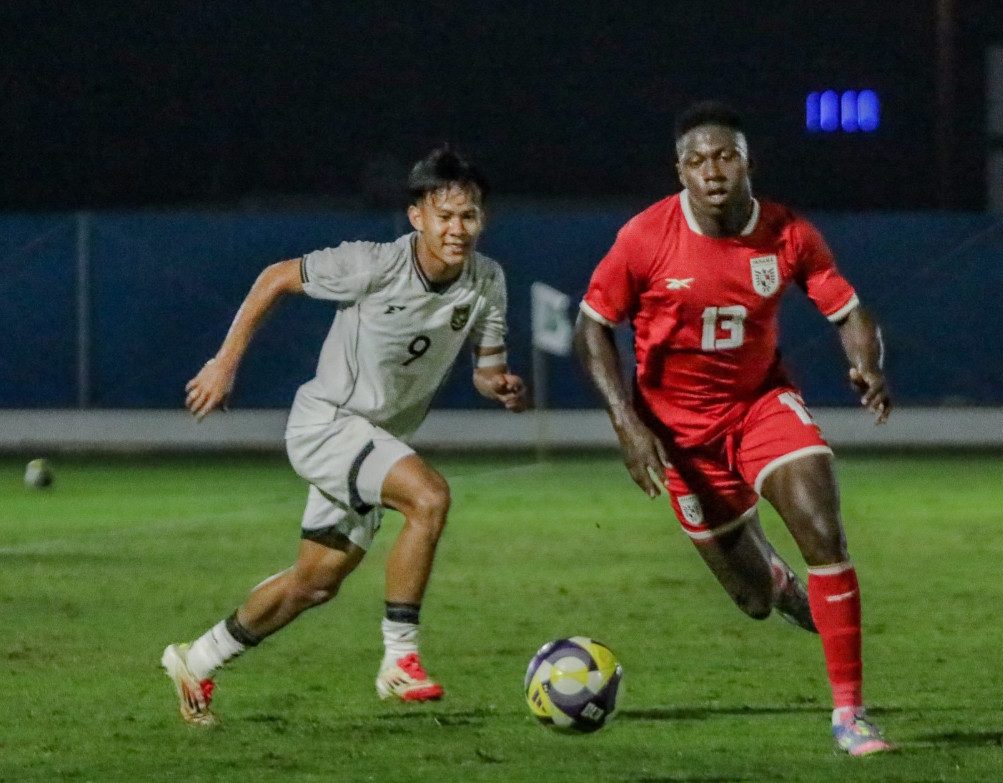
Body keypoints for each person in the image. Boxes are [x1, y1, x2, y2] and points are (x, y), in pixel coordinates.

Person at [162, 146, 528, 726]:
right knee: (430, 498)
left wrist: (499, 384)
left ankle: (197, 659)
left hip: (373, 441)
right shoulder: (372, 264)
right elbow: (275, 277)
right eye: (445, 216)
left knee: (314, 583)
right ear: (417, 217)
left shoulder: (488, 281)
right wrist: (224, 363)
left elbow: (486, 368)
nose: (458, 229)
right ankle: (400, 658)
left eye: (469, 216)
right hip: (329, 423)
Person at [573, 102, 894, 756]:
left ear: (746, 162)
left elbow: (847, 306)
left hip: (760, 407)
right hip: (680, 441)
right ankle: (776, 582)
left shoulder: (787, 232)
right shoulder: (645, 237)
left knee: (825, 532)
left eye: (723, 156)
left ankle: (849, 715)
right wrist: (625, 422)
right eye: (696, 160)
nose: (711, 171)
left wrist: (865, 364)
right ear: (679, 171)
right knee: (751, 599)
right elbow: (590, 326)